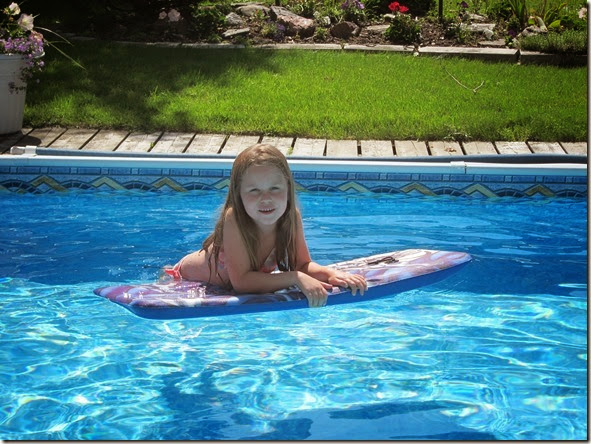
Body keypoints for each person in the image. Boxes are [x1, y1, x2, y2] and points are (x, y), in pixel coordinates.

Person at [164, 143, 367, 307]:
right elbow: (242, 283)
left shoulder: (290, 217)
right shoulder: (235, 219)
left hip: (219, 285)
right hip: (183, 280)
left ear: (288, 188)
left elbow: (302, 264)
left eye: (275, 188)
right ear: (238, 194)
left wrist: (332, 275)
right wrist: (295, 278)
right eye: (254, 191)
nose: (266, 198)